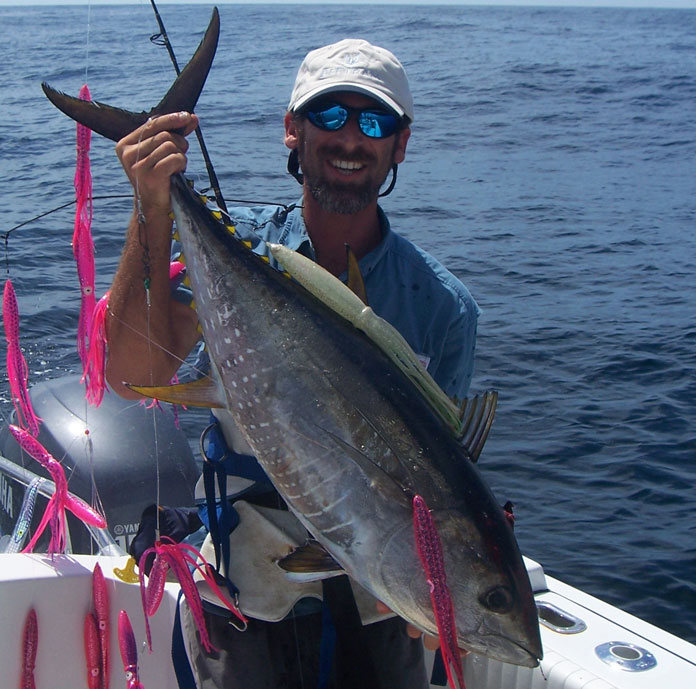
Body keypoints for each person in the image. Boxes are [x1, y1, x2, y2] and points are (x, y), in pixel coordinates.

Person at [106, 38, 479, 689]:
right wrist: (153, 208)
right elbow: (134, 368)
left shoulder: (442, 308)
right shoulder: (240, 242)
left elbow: (440, 493)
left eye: (376, 121)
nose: (352, 138)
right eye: (330, 116)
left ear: (401, 142)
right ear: (292, 130)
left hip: (380, 598)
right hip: (243, 588)